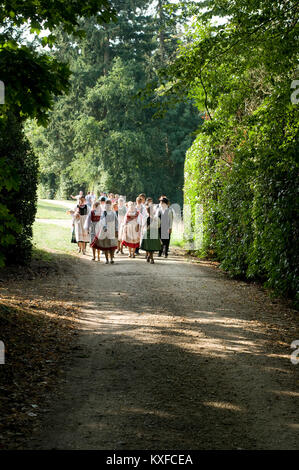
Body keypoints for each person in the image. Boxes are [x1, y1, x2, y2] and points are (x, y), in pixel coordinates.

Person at [91, 199, 118, 264]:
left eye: (109, 204)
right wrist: (104, 227)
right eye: (107, 204)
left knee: (112, 245)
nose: (108, 206)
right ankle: (107, 259)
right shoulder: (104, 213)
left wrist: (116, 230)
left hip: (112, 230)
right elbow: (101, 221)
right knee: (106, 245)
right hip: (105, 231)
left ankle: (111, 258)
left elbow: (116, 222)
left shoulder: (113, 213)